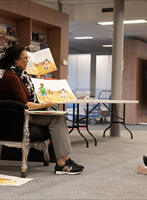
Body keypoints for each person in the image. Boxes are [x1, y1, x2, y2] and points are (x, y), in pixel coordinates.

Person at [0, 45, 84, 175]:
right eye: (25, 58)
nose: (28, 60)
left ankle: (64, 160)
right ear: (16, 60)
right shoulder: (11, 76)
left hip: (25, 112)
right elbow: (25, 103)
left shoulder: (19, 75)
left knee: (59, 116)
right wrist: (44, 105)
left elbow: (28, 97)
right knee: (57, 118)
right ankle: (62, 163)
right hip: (19, 115)